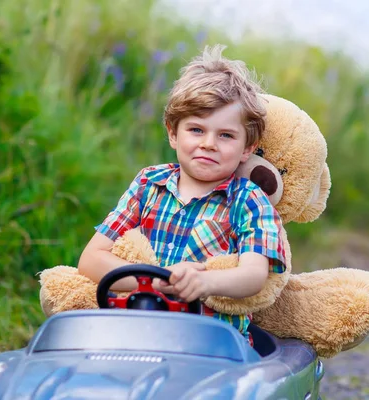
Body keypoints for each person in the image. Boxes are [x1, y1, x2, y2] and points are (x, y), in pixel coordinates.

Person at [77, 45, 286, 343]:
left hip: (211, 342)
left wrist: (203, 281)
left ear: (248, 149)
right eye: (196, 130)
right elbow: (91, 259)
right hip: (136, 329)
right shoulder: (149, 183)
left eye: (225, 135)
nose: (209, 144)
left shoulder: (248, 199)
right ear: (173, 134)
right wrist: (160, 280)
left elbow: (253, 276)